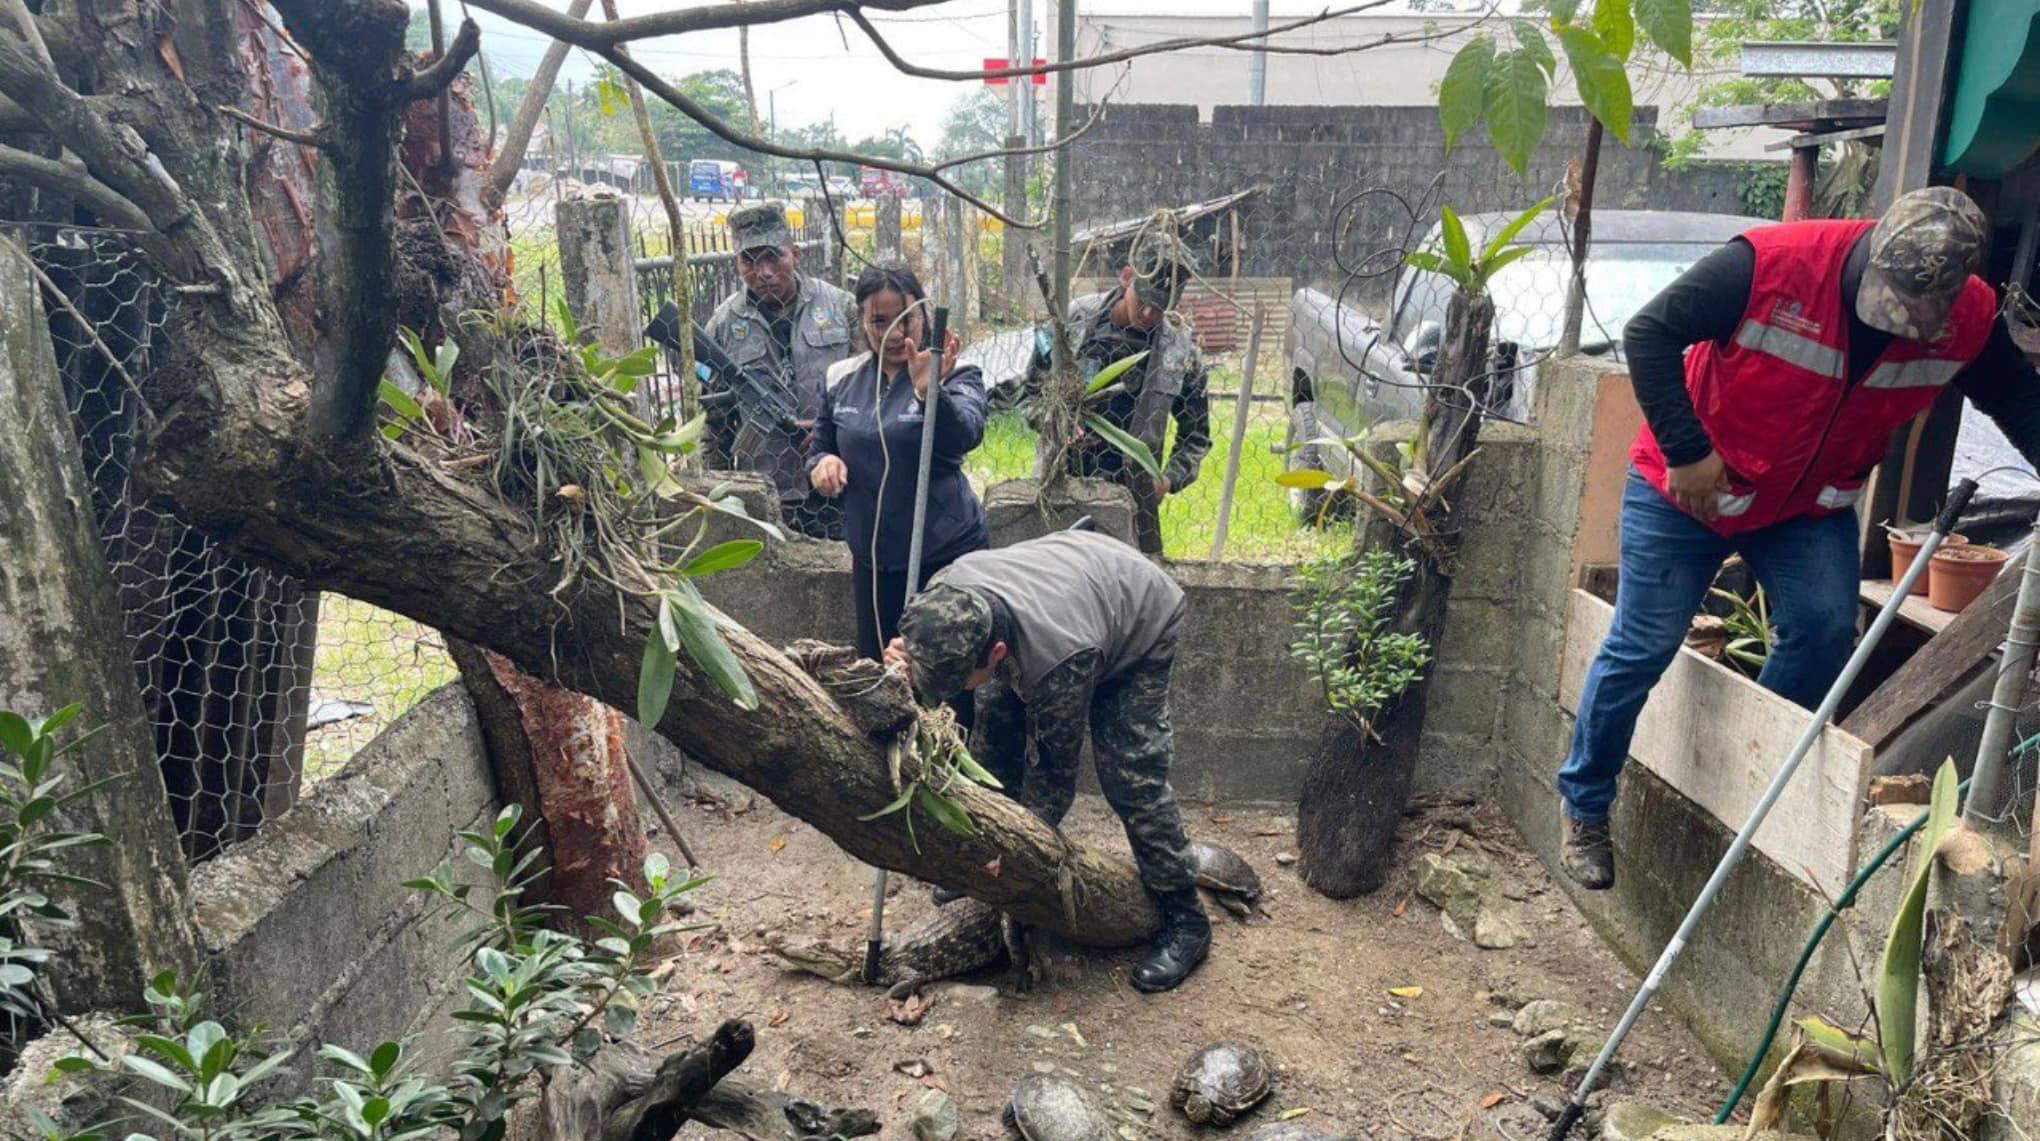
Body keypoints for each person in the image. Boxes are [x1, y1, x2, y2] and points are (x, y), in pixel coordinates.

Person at [1560, 186, 2040, 890]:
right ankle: (1586, 806)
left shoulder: (1966, 317)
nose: (1903, 324)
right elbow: (1648, 333)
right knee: (1642, 644)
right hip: (1692, 488)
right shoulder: (1770, 267)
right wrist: (1687, 448)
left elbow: (2018, 399)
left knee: (1821, 630)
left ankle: (1750, 789)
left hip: (1806, 508)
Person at [884, 530, 1212, 993]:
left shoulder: (1059, 663)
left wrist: (1012, 860)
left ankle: (1186, 918)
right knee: (991, 749)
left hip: (1137, 614)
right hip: (1066, 593)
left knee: (1131, 777)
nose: (958, 691)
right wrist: (905, 663)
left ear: (997, 654)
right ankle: (980, 861)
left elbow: (1052, 784)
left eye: (962, 680)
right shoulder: (944, 595)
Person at [808, 262, 989, 674]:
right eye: (879, 320)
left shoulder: (956, 372)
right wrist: (823, 464)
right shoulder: (842, 377)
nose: (895, 331)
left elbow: (965, 434)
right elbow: (820, 447)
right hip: (874, 564)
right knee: (881, 678)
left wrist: (931, 394)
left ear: (924, 316)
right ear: (862, 321)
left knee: (943, 681)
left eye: (906, 318)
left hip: (945, 559)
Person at [1028, 232, 1212, 555]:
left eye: (1161, 307)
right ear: (1127, 276)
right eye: (1144, 302)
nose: (1149, 316)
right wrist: (1057, 422)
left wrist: (1169, 480)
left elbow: (1197, 436)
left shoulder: (1180, 353)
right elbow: (1029, 393)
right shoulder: (1073, 323)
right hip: (1061, 489)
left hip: (1131, 506)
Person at [702, 201, 859, 538]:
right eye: (750, 260)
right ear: (737, 264)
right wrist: (712, 494)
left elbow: (873, 388)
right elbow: (710, 417)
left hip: (838, 479)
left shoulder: (841, 307)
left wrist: (835, 430)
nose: (765, 272)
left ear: (795, 254)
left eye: (774, 256)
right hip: (765, 493)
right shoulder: (723, 325)